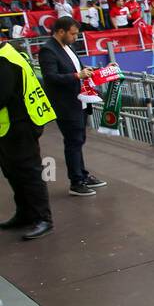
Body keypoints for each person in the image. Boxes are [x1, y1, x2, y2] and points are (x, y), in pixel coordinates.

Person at [37, 16, 106, 197]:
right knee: (73, 142)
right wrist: (77, 76)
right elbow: (51, 77)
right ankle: (76, 182)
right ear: (61, 32)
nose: (76, 37)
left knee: (79, 140)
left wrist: (96, 72)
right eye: (73, 34)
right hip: (66, 105)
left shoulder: (69, 46)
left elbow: (79, 69)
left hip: (79, 101)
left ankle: (82, 174)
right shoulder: (47, 50)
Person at [0, 42, 56, 239]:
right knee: (12, 172)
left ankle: (43, 219)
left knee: (29, 173)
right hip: (8, 127)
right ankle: (24, 214)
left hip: (19, 127)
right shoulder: (10, 53)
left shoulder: (5, 61)